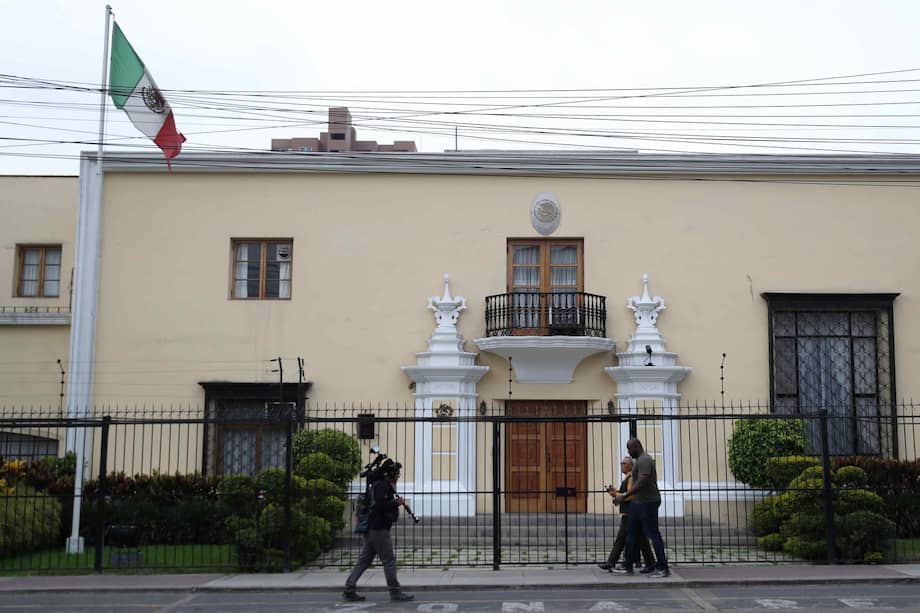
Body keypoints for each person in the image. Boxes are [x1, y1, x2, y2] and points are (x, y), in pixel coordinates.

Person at [343, 459, 414, 602]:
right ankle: (395, 592)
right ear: (391, 473)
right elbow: (380, 505)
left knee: (364, 561)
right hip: (379, 530)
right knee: (389, 561)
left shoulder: (382, 485)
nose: (398, 476)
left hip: (373, 529)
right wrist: (396, 502)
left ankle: (349, 589)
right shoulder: (382, 486)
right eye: (397, 473)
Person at [611, 438, 670, 578]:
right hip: (638, 503)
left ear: (636, 447)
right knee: (631, 534)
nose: (628, 452)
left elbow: (642, 481)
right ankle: (628, 565)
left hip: (648, 502)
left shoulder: (644, 460)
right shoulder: (640, 461)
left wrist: (624, 494)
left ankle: (662, 567)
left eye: (629, 449)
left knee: (653, 534)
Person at [598, 455, 655, 573]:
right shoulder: (628, 478)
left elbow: (631, 495)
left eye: (624, 463)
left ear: (630, 466)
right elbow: (625, 494)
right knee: (642, 540)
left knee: (621, 539)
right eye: (621, 463)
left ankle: (612, 562)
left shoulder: (631, 478)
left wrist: (618, 495)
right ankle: (650, 563)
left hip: (629, 513)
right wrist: (615, 493)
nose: (622, 465)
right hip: (631, 512)